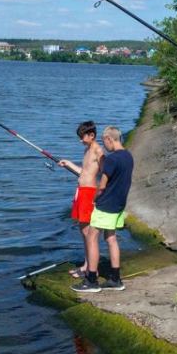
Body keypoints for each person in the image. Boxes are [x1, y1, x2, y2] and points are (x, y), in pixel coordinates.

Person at [81, 126, 133, 292]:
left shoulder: (112, 159)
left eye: (105, 142)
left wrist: (94, 198)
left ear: (110, 139)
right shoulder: (128, 156)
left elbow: (102, 186)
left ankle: (91, 281)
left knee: (91, 236)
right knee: (111, 238)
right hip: (119, 204)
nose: (104, 146)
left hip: (106, 204)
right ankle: (115, 279)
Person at [58, 121, 102, 290]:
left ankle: (93, 270)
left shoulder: (98, 151)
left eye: (82, 137)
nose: (80, 141)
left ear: (91, 135)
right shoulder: (87, 150)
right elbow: (84, 173)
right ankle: (86, 265)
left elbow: (104, 173)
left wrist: (100, 194)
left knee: (88, 232)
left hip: (89, 194)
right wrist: (68, 164)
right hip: (80, 191)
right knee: (82, 230)